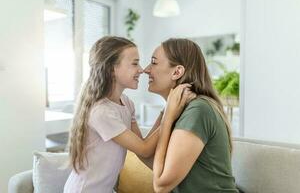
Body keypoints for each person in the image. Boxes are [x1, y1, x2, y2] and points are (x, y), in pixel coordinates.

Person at [63, 36, 171, 193]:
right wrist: (171, 113)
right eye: (135, 63)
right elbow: (144, 149)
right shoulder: (101, 112)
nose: (141, 69)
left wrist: (166, 110)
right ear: (111, 69)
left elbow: (143, 145)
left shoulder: (126, 103)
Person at [144, 38, 239, 193]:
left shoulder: (198, 110)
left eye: (154, 62)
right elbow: (147, 154)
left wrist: (168, 117)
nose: (146, 69)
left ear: (177, 72)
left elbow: (161, 185)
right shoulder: (179, 109)